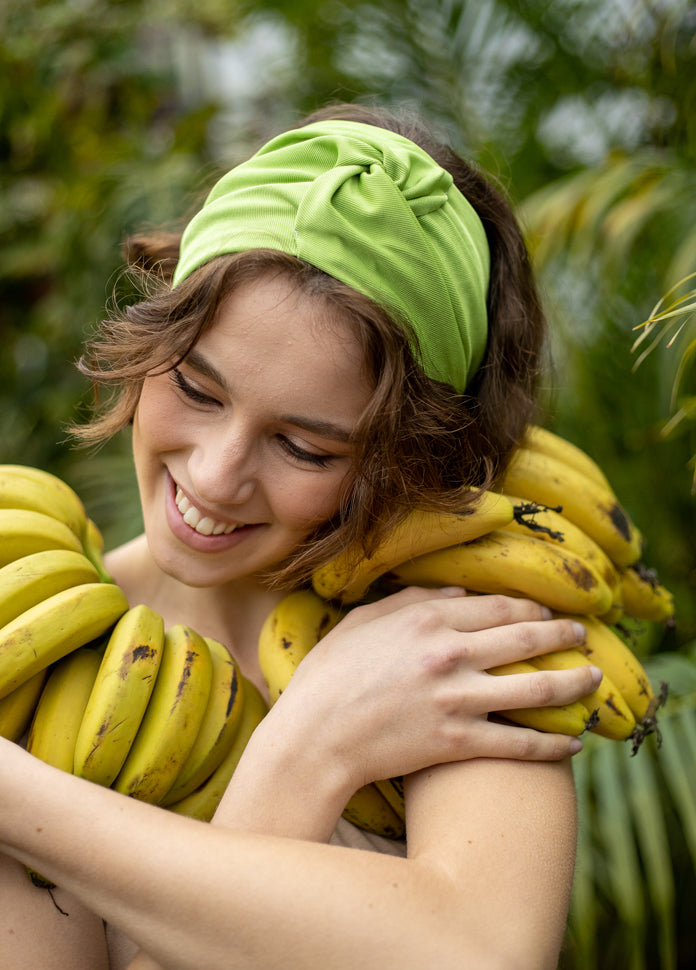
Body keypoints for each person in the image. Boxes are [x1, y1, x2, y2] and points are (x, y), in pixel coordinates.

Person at [0, 101, 602, 970]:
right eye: (199, 391)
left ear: (407, 460)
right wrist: (306, 771)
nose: (213, 476)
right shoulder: (29, 632)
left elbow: (483, 951)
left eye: (303, 445)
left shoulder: (452, 648)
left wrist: (308, 745)